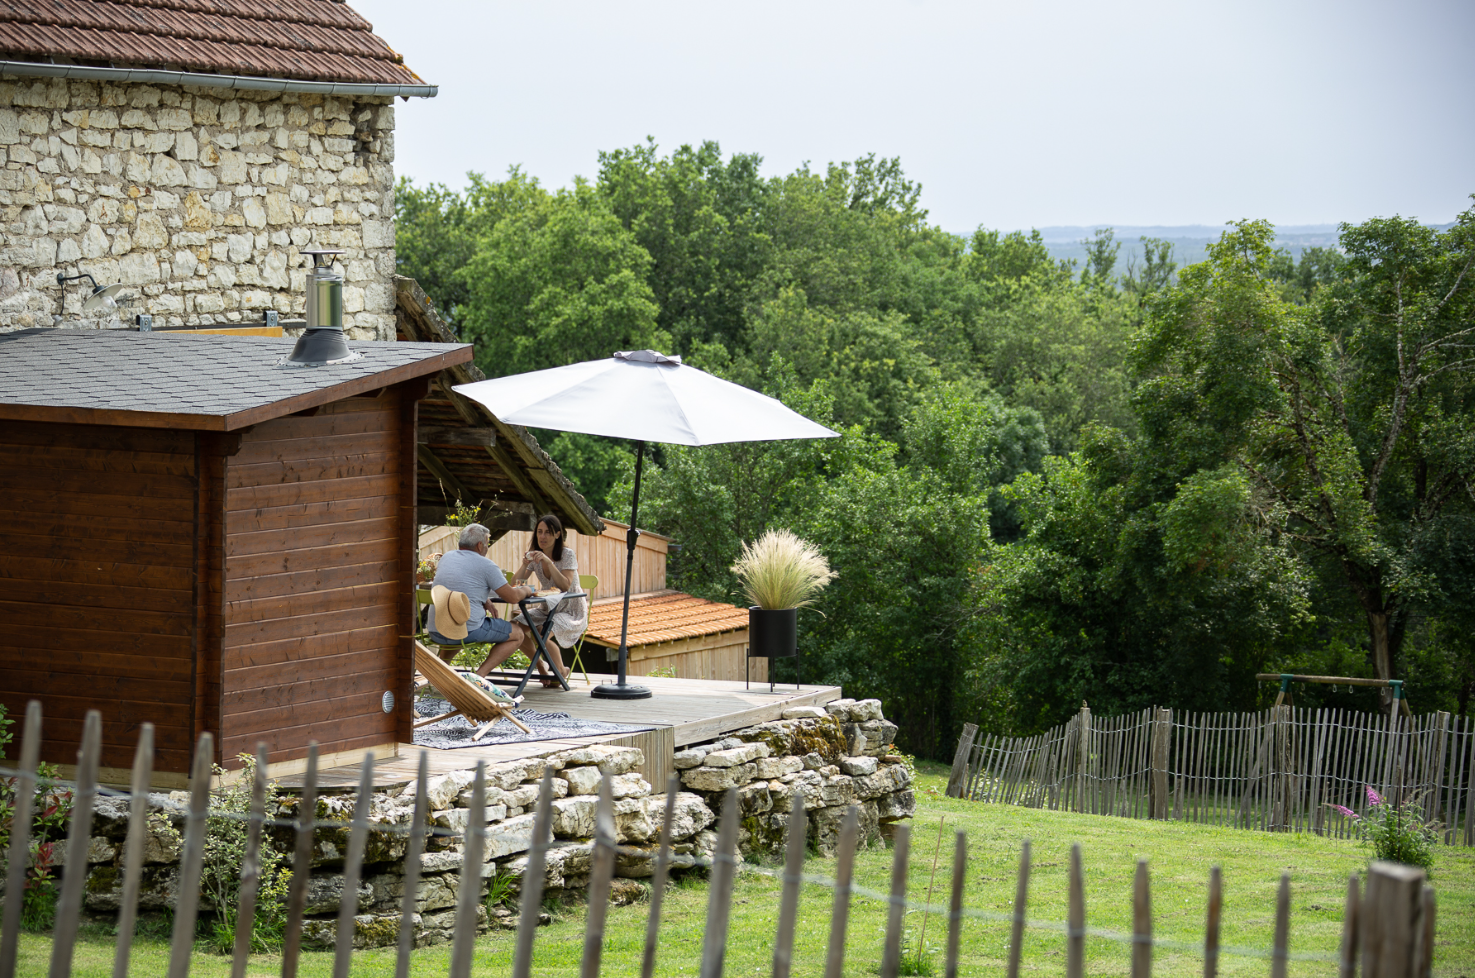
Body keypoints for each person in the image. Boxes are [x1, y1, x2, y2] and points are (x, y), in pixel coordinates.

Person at [427, 523, 536, 677]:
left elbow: (459, 586)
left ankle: (438, 675)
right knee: (517, 633)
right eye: (486, 543)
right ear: (479, 545)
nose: (487, 547)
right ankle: (479, 677)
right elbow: (512, 597)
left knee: (457, 620)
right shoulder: (487, 565)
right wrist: (527, 590)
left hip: (436, 629)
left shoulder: (446, 558)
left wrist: (484, 599)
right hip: (466, 631)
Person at [510, 513, 587, 688]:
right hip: (546, 608)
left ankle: (560, 672)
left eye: (547, 532)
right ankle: (543, 669)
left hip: (570, 609)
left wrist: (549, 562)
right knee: (514, 629)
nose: (542, 537)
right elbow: (514, 584)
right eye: (539, 532)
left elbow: (565, 586)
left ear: (557, 534)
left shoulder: (567, 554)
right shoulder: (536, 557)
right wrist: (524, 564)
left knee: (541, 632)